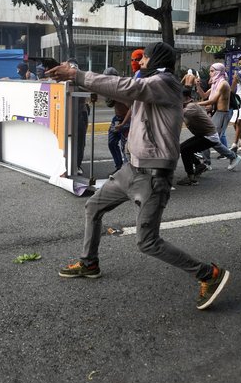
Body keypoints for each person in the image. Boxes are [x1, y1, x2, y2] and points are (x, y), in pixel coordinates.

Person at [48, 42, 230, 310]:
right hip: (130, 169)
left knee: (147, 242)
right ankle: (89, 263)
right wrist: (94, 89)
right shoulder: (150, 83)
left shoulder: (165, 82)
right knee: (93, 207)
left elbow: (130, 88)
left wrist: (78, 75)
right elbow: (128, 96)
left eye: (144, 58)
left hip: (153, 177)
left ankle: (208, 274)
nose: (140, 62)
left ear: (156, 59)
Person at [196, 63, 241, 170]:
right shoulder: (215, 84)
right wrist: (198, 85)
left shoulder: (223, 84)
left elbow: (212, 100)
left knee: (212, 140)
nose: (210, 73)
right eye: (210, 71)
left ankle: (233, 157)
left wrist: (195, 104)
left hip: (222, 114)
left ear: (218, 72)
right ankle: (206, 162)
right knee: (206, 137)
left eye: (212, 71)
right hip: (217, 113)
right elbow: (204, 96)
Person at [177, 87, 219, 186]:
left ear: (186, 97)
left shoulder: (191, 107)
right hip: (204, 135)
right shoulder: (187, 105)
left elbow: (177, 114)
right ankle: (199, 165)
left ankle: (191, 178)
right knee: (182, 148)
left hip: (209, 137)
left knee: (185, 150)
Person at [102, 67, 131, 173]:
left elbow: (131, 108)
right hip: (117, 119)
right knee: (112, 143)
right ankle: (119, 167)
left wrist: (123, 124)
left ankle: (126, 171)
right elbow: (109, 104)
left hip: (127, 119)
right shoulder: (112, 89)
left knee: (125, 147)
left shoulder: (123, 88)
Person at [66, 58, 89, 175]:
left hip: (80, 113)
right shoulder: (65, 80)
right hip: (68, 114)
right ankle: (67, 163)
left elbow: (86, 89)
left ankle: (77, 165)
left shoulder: (81, 79)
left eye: (73, 67)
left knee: (79, 141)